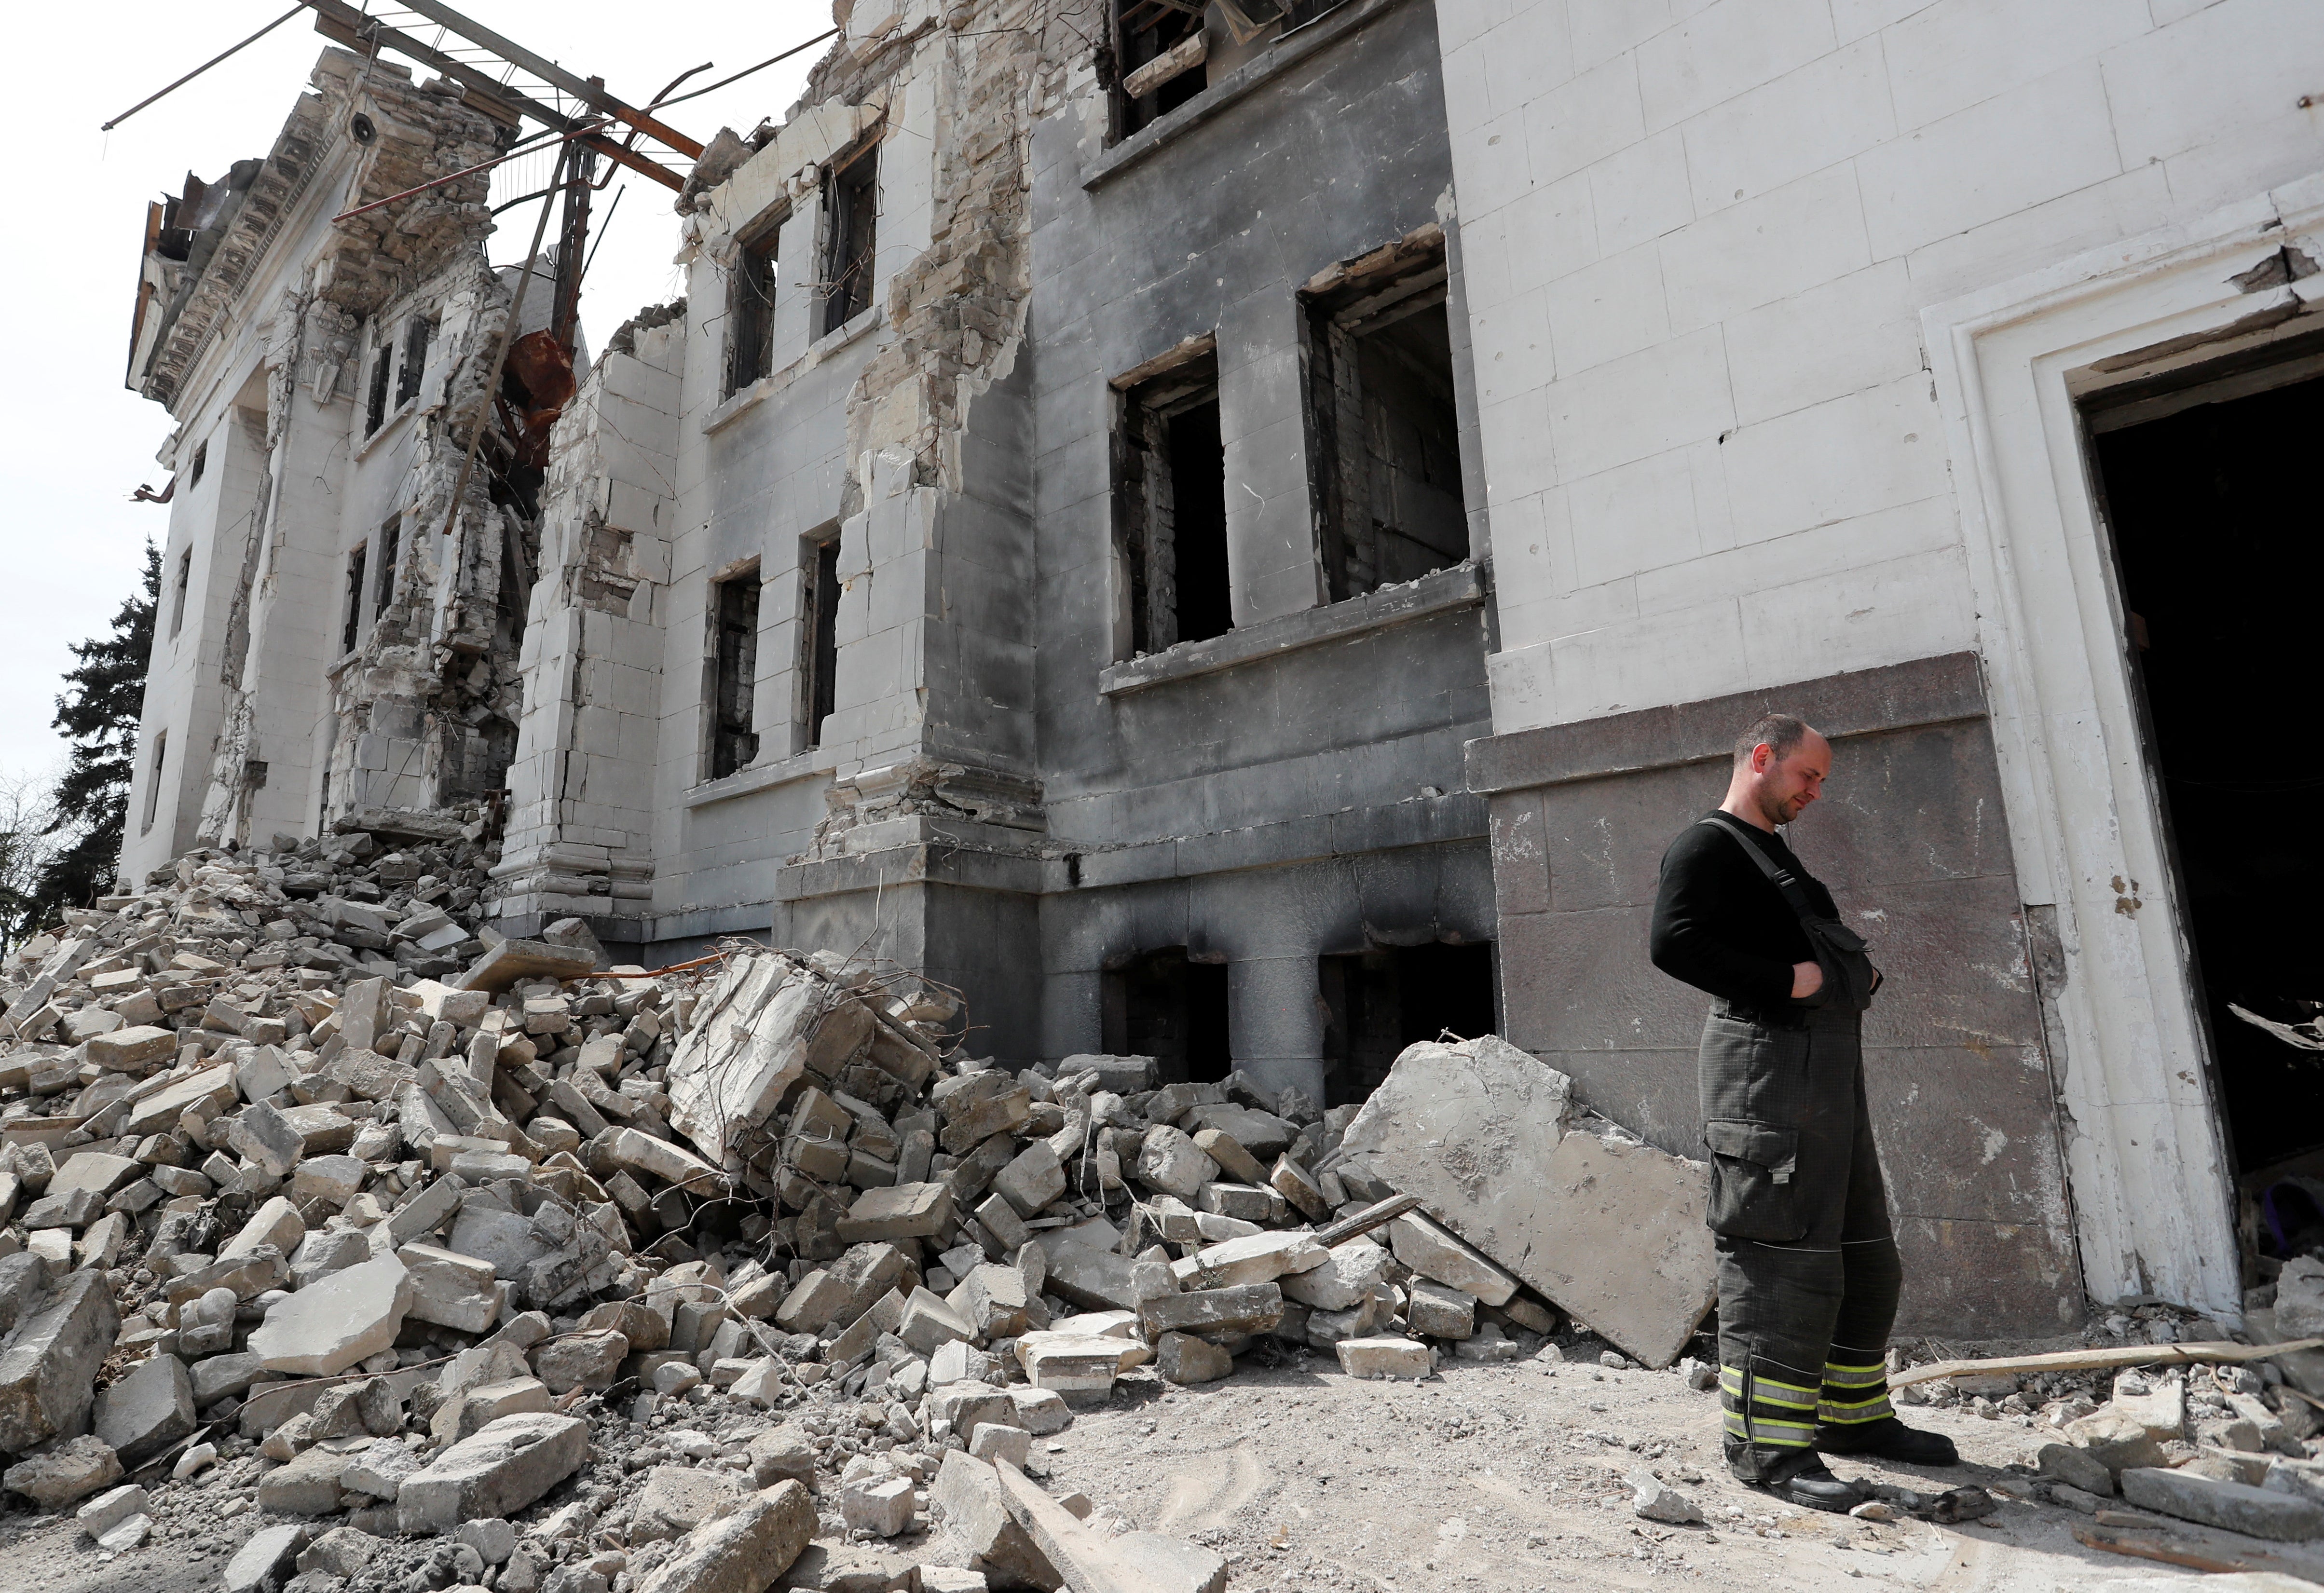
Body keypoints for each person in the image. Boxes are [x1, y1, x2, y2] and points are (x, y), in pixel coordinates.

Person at [1649, 713, 1960, 1511]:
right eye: (1807, 776)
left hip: (1824, 1079)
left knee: (1861, 1256)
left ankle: (1850, 1418)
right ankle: (1767, 1449)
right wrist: (1788, 982)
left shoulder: (1769, 853)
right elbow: (1672, 943)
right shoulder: (1706, 845)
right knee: (1780, 1259)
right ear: (1762, 758)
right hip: (1765, 1080)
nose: (1816, 791)